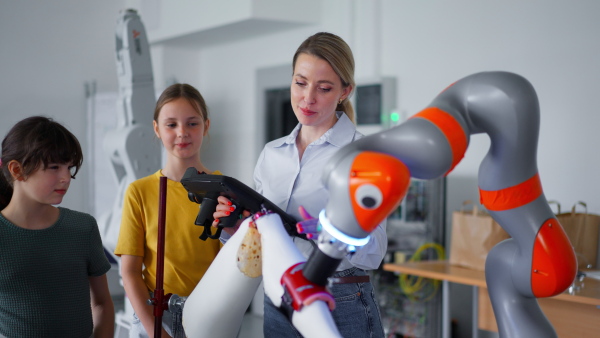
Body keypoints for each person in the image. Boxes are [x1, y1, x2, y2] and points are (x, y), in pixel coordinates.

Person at [215, 32, 386, 337]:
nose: (308, 98)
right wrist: (233, 229)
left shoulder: (364, 155)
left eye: (324, 88)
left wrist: (336, 236)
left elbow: (375, 252)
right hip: (278, 296)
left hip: (340, 299)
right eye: (300, 83)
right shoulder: (272, 154)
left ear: (345, 91)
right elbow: (260, 236)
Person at [114, 83, 222, 337]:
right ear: (157, 129)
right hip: (155, 315)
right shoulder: (139, 192)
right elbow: (129, 271)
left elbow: (229, 264)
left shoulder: (224, 188)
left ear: (206, 126)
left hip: (211, 314)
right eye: (171, 124)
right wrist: (155, 332)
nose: (182, 132)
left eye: (192, 123)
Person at [0, 116, 114, 337]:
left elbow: (102, 303)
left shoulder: (83, 227)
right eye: (54, 167)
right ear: (16, 170)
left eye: (68, 167)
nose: (66, 178)